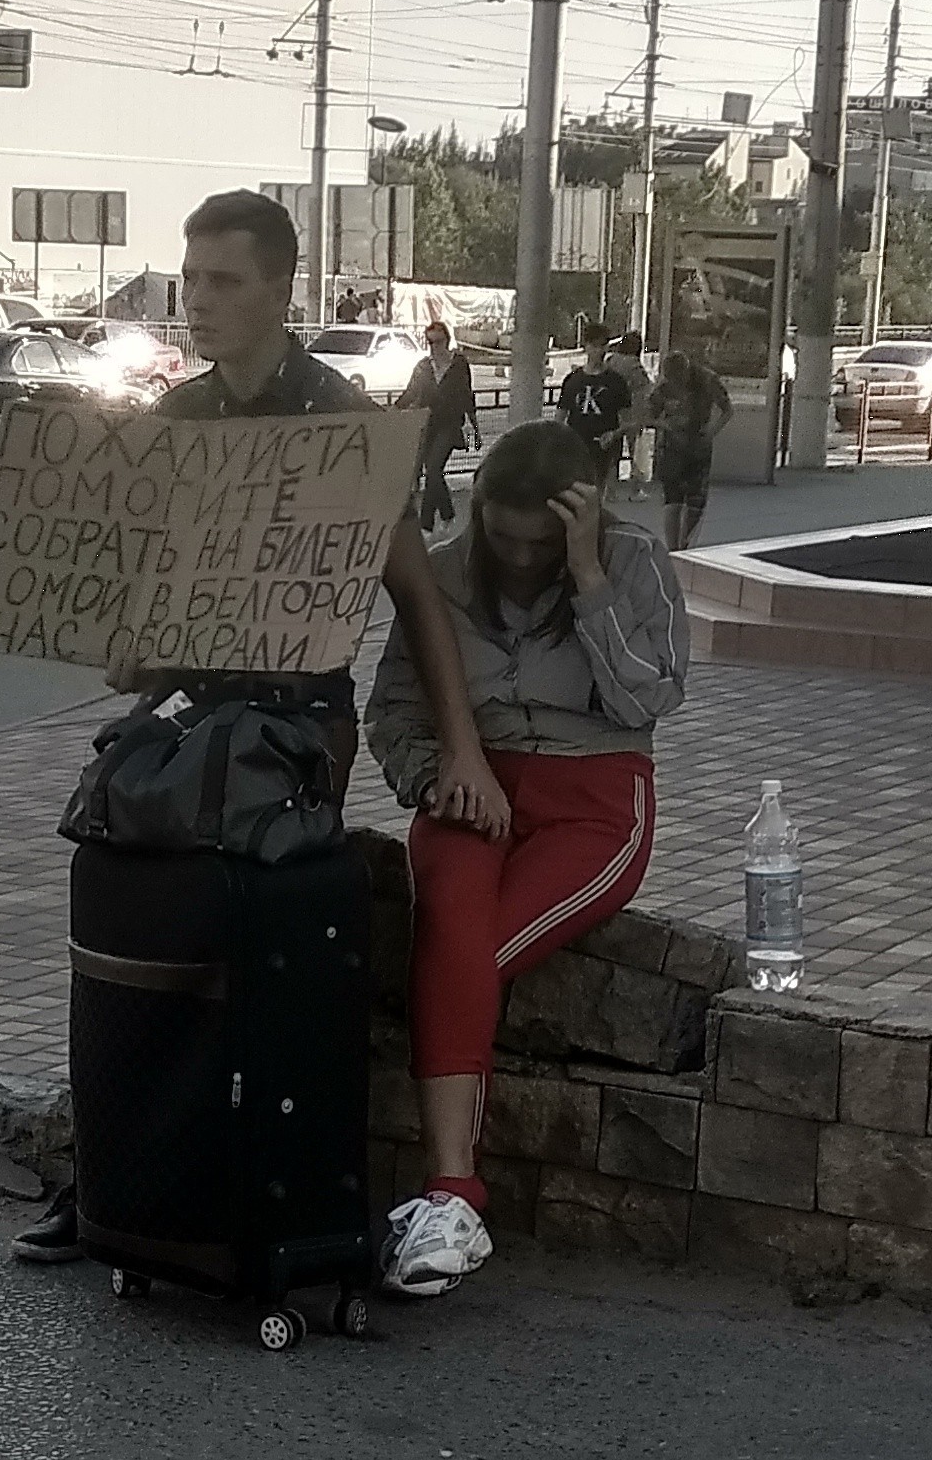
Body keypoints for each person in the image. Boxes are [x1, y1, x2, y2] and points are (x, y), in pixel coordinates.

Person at [12, 190, 511, 1265]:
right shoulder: (178, 419)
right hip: (194, 703)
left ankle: (224, 1179)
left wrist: (461, 748)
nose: (196, 300)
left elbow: (418, 600)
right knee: (111, 854)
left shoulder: (338, 419)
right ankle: (112, 1172)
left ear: (281, 290)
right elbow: (144, 610)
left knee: (219, 893)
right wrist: (125, 649)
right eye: (189, 278)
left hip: (294, 719)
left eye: (221, 280)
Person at [364, 421, 688, 1297]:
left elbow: (647, 697)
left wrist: (586, 580)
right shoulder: (439, 570)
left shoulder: (632, 562)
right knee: (452, 925)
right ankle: (452, 1193)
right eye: (499, 534)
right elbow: (392, 709)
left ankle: (449, 1197)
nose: (514, 556)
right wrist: (434, 779)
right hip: (475, 785)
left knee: (463, 957)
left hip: (594, 793)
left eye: (537, 542)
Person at [398, 321, 482, 534]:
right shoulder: (423, 366)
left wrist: (475, 427)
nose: (434, 347)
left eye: (438, 342)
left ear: (447, 340)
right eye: (430, 342)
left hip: (450, 424)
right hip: (428, 424)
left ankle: (434, 520)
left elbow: (466, 394)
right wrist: (393, 409)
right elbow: (411, 393)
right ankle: (439, 518)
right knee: (431, 472)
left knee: (434, 468)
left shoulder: (459, 363)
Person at [646, 350, 733, 551]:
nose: (677, 385)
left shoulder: (707, 379)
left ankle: (686, 544)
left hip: (698, 445)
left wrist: (711, 431)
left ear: (687, 371)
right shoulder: (665, 386)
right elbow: (650, 413)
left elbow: (727, 409)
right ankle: (672, 548)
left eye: (679, 379)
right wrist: (664, 423)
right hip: (673, 446)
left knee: (696, 500)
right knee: (672, 499)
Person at [557, 321, 632, 487]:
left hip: (604, 446)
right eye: (595, 346)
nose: (599, 351)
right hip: (576, 445)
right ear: (587, 347)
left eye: (603, 346)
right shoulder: (573, 380)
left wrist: (615, 434)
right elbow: (560, 415)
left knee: (598, 492)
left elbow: (627, 419)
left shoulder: (616, 381)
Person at [606, 330, 653, 502]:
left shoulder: (611, 361)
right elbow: (643, 388)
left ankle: (610, 490)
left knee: (613, 451)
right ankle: (635, 490)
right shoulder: (634, 365)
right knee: (635, 451)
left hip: (611, 410)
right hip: (632, 411)